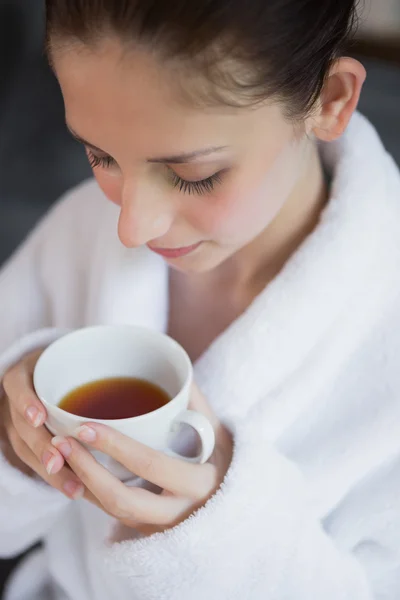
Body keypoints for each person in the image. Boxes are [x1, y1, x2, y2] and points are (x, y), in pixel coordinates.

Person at [1, 0, 400, 598]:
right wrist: (13, 442)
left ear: (332, 100)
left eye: (194, 175)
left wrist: (215, 528)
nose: (131, 228)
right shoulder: (79, 232)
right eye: (101, 156)